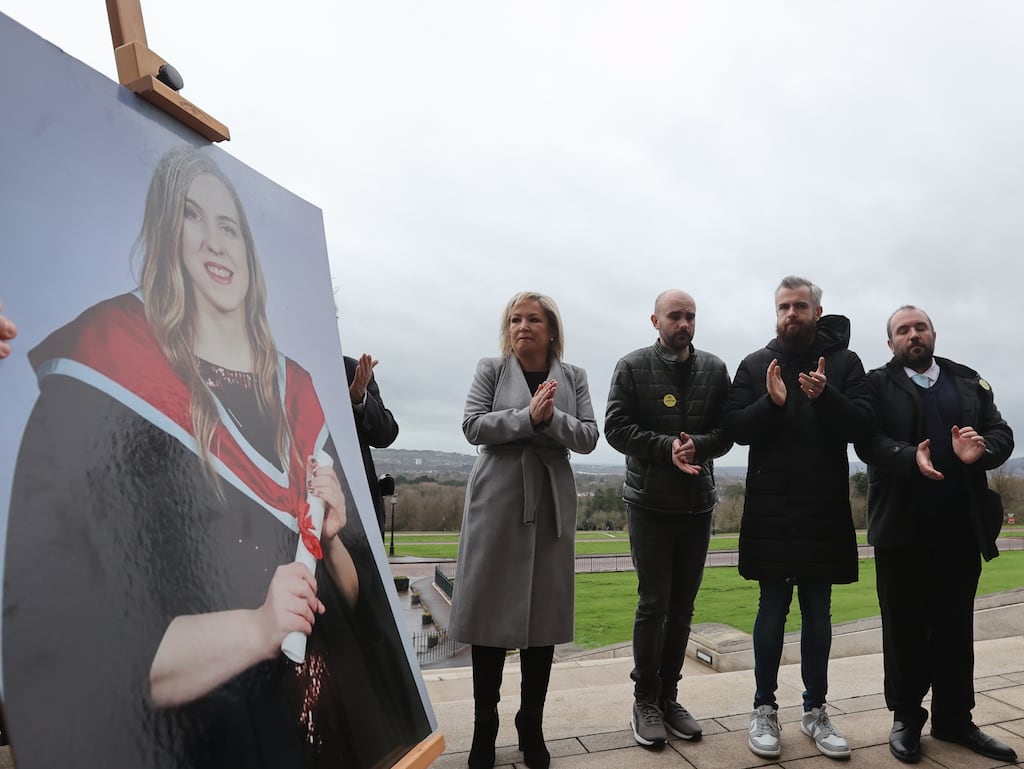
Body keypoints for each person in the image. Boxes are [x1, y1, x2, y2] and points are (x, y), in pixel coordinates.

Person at [3, 146, 429, 769]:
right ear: (162, 237)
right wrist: (257, 628)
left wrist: (332, 541)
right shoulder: (106, 382)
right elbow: (77, 646)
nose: (213, 242)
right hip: (216, 743)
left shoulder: (297, 396)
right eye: (190, 218)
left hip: (332, 736)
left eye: (228, 224)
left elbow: (353, 605)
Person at [854, 306, 1016, 764]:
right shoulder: (876, 384)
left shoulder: (968, 381)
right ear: (891, 344)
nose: (913, 335)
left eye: (919, 327)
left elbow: (1001, 432)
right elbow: (867, 441)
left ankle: (955, 719)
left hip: (959, 528)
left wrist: (981, 452)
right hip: (901, 528)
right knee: (903, 628)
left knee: (954, 627)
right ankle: (906, 718)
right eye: (902, 331)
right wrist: (910, 457)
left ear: (933, 334)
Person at [448, 291, 599, 769]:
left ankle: (529, 723)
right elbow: (473, 426)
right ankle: (483, 728)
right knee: (489, 616)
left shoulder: (573, 377)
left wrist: (550, 418)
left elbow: (590, 436)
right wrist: (523, 418)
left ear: (551, 329)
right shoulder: (491, 370)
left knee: (544, 618)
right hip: (497, 496)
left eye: (533, 319)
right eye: (515, 319)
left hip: (552, 498)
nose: (522, 326)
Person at [723, 275, 870, 761]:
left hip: (824, 505)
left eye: (800, 306)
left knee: (818, 612)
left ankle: (815, 710)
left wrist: (826, 395)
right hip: (770, 506)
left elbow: (863, 427)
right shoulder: (753, 364)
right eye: (784, 306)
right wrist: (773, 402)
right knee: (771, 609)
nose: (791, 313)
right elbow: (734, 430)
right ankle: (763, 708)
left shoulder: (846, 364)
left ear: (816, 311)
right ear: (776, 312)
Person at [604, 289, 732, 748]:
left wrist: (697, 445)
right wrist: (667, 449)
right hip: (649, 505)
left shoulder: (715, 369)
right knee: (653, 603)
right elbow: (615, 428)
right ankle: (645, 700)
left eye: (690, 316)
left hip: (697, 505)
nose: (684, 323)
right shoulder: (631, 367)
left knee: (682, 609)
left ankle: (670, 697)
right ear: (654, 321)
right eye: (675, 316)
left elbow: (727, 432)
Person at [345, 353, 399, 537]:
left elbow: (385, 435)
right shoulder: (267, 364)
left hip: (353, 507)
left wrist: (358, 399)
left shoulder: (353, 370)